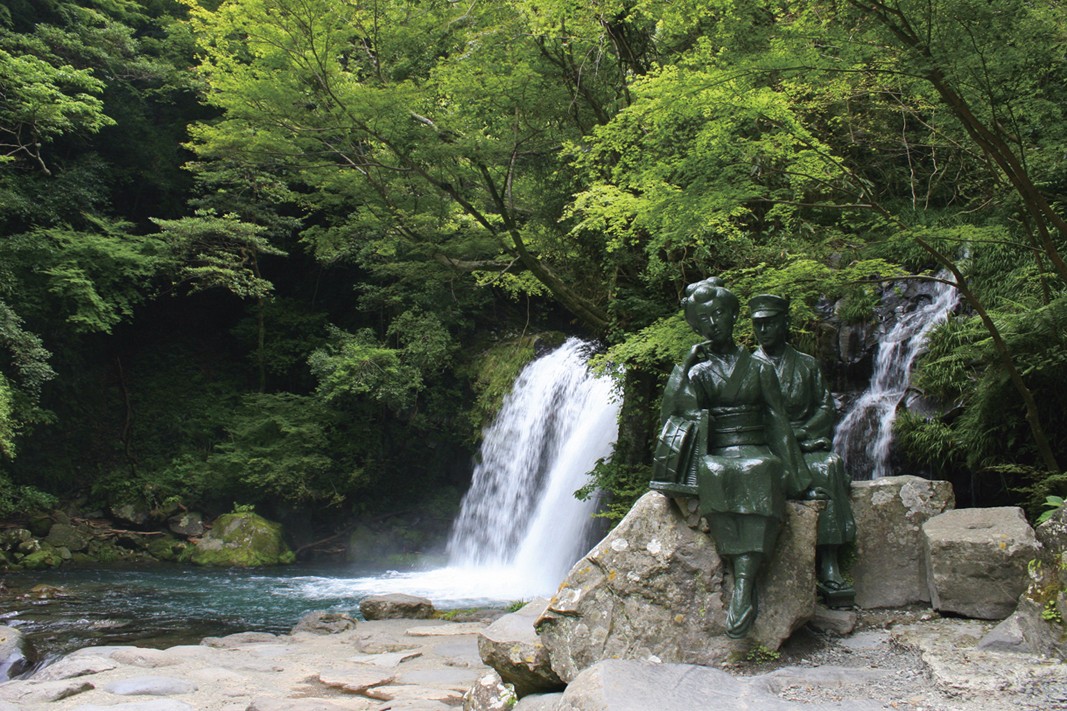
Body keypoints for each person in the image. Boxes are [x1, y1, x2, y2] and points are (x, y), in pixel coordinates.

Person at [654, 277, 812, 638]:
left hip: (756, 446)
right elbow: (674, 414)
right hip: (719, 448)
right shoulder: (698, 370)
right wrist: (684, 366)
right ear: (695, 324)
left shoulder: (758, 367)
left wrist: (797, 473)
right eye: (704, 318)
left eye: (720, 313)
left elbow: (777, 419)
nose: (714, 323)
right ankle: (740, 571)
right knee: (714, 471)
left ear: (733, 315)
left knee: (762, 468)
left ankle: (744, 581)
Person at [749, 293, 857, 607]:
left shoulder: (807, 365)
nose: (763, 330)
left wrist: (802, 433)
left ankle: (829, 564)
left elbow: (825, 407)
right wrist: (780, 438)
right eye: (758, 324)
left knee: (828, 466)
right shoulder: (747, 367)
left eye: (770, 323)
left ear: (785, 324)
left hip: (805, 443)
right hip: (767, 446)